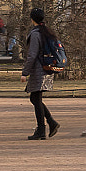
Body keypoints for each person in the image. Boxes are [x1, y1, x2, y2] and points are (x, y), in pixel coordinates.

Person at [20, 8, 61, 141]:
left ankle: (42, 129)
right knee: (35, 98)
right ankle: (50, 123)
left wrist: (25, 73)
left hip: (39, 70)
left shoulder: (36, 34)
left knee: (35, 99)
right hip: (47, 68)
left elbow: (32, 55)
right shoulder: (47, 32)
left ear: (32, 19)